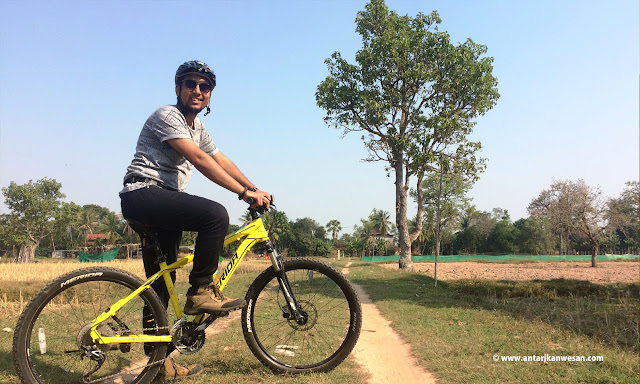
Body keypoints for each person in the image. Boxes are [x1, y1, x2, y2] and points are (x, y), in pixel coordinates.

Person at [120, 60, 271, 379]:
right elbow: (200, 160)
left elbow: (219, 157)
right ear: (178, 89)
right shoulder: (168, 115)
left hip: (160, 204)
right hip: (144, 193)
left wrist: (252, 187)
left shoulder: (197, 127)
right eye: (190, 84)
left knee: (160, 286)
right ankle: (202, 290)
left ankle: (159, 365)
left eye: (205, 87)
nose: (198, 91)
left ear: (211, 94)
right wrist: (242, 195)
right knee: (215, 215)